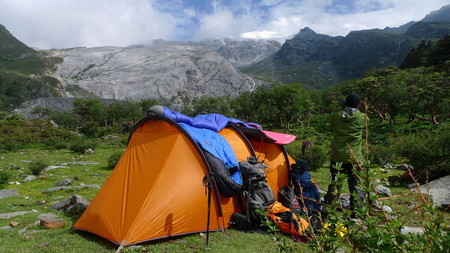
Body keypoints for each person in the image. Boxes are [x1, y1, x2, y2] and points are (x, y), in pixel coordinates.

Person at [325, 92, 366, 212]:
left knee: (336, 183)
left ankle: (330, 208)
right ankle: (357, 211)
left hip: (338, 157)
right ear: (358, 105)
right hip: (355, 158)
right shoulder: (362, 117)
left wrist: (343, 109)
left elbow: (333, 124)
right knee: (356, 185)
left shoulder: (336, 116)